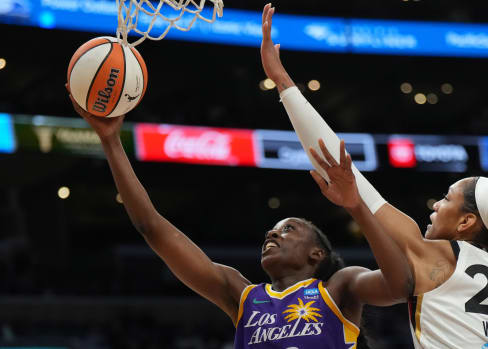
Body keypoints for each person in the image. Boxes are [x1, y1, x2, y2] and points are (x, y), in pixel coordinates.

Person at [259, 3, 488, 348]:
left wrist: (284, 84)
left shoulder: (438, 256)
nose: (436, 205)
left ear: (467, 221)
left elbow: (340, 167)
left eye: (448, 198)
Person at [65, 86, 412, 349]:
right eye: (273, 230)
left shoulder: (340, 287)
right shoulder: (241, 295)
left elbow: (401, 287)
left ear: (316, 254)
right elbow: (151, 227)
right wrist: (110, 141)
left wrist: (355, 207)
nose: (271, 234)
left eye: (287, 229)